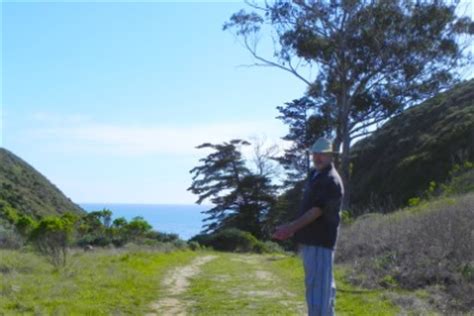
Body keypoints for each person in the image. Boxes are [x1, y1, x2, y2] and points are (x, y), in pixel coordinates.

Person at [272, 137, 344, 316]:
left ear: (330, 156)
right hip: (313, 241)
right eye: (315, 154)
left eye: (322, 154)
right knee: (322, 288)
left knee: (318, 290)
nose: (318, 157)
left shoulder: (330, 180)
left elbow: (316, 211)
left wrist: (290, 228)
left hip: (320, 241)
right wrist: (290, 226)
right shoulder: (315, 174)